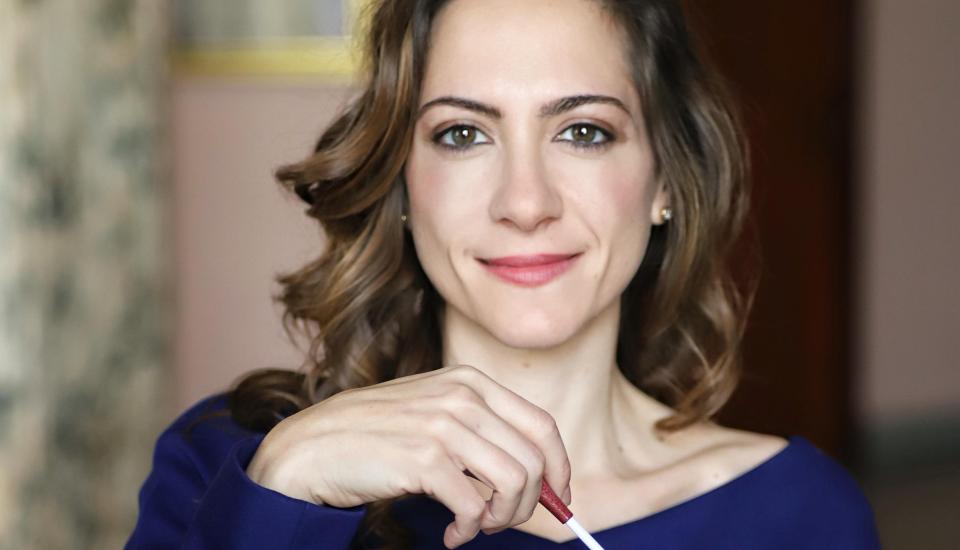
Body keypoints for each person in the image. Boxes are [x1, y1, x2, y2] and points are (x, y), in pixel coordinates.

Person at [126, 0, 882, 548]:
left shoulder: (798, 515)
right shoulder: (233, 462)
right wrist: (284, 490)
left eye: (583, 131)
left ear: (665, 181)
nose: (525, 203)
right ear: (400, 184)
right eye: (463, 134)